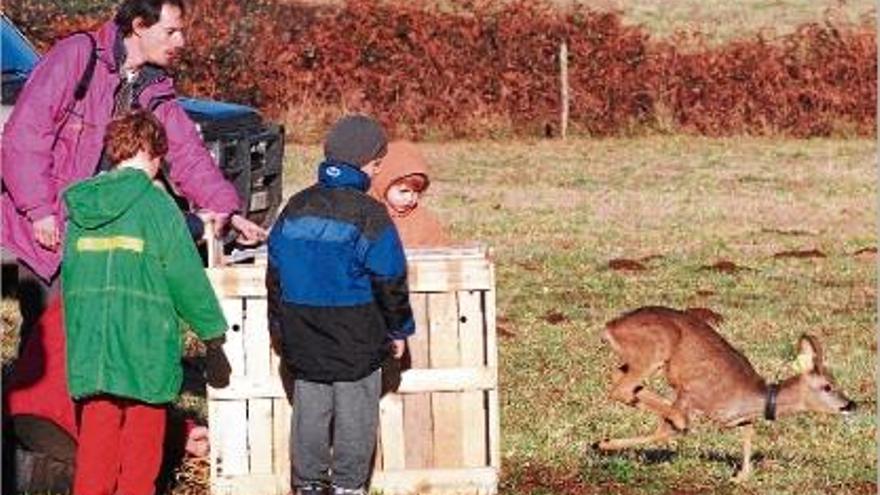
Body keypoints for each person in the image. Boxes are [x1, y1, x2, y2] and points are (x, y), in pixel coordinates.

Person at [1, 0, 262, 489]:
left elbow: (183, 150)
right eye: (172, 30)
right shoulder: (75, 60)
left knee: (94, 359)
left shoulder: (153, 89)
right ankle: (41, 465)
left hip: (108, 231)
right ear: (138, 27)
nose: (181, 41)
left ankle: (94, 467)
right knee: (55, 357)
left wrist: (228, 210)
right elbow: (23, 137)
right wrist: (38, 211)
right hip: (56, 231)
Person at [62, 109, 232, 495]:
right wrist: (213, 334)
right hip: (144, 344)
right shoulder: (158, 208)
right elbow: (186, 279)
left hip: (92, 345)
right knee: (141, 453)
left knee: (95, 448)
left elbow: (71, 279)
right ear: (151, 152)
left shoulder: (81, 208)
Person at [266, 115, 415, 495]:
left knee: (310, 410)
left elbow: (275, 276)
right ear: (367, 163)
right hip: (357, 335)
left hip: (303, 331)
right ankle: (349, 486)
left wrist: (278, 329)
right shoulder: (369, 214)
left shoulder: (296, 208)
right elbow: (390, 279)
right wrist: (399, 329)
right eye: (378, 164)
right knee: (356, 412)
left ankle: (308, 485)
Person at [367, 140, 449, 248]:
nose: (410, 198)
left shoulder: (424, 221)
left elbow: (442, 252)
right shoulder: (365, 217)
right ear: (383, 184)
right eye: (403, 191)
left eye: (416, 192)